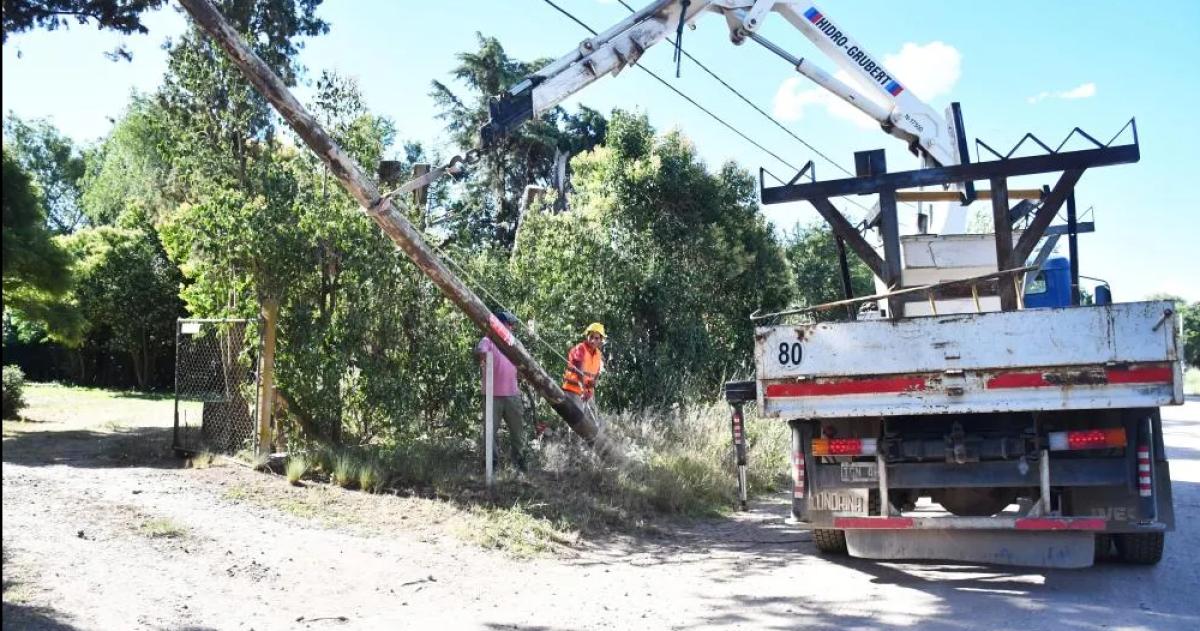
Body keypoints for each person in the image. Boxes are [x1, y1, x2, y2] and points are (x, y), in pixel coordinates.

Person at [475, 310, 527, 472]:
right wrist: (483, 355)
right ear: (499, 324)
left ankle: (520, 464)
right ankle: (491, 466)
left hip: (512, 395)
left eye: (511, 324)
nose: (511, 327)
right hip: (492, 397)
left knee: (518, 433)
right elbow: (479, 352)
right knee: (489, 434)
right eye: (508, 324)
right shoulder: (488, 340)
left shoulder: (514, 343)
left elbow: (524, 363)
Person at [561, 322, 606, 413]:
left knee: (590, 423)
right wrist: (583, 390)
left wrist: (593, 383)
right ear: (587, 336)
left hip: (587, 393)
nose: (593, 340)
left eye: (596, 338)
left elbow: (596, 373)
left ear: (600, 339)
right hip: (573, 391)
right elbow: (578, 371)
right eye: (591, 337)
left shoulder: (598, 354)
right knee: (576, 421)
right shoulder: (580, 349)